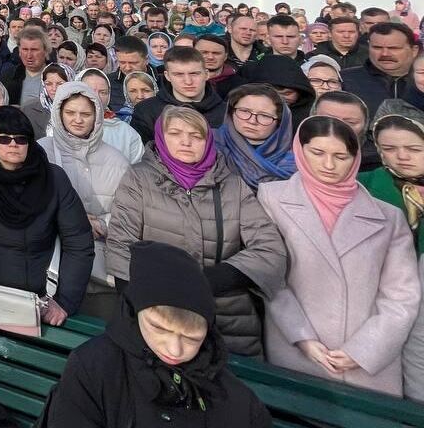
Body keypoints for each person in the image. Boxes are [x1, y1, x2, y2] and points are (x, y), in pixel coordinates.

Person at [257, 116, 420, 396]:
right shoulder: (271, 198)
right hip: (296, 350)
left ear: (355, 158)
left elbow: (401, 294)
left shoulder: (388, 215)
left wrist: (365, 349)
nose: (329, 165)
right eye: (317, 153)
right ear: (300, 149)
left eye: (340, 156)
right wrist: (302, 337)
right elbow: (270, 276)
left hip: (370, 364)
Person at [107, 106, 287, 357]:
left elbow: (269, 248)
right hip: (161, 316)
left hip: (228, 317)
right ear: (161, 136)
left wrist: (207, 281)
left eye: (196, 135)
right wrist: (140, 305)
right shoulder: (140, 180)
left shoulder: (231, 184)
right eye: (176, 133)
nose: (186, 141)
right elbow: (121, 247)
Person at [40, 241, 273, 427]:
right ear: (136, 311)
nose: (175, 349)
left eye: (192, 337)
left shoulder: (236, 402)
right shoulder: (93, 369)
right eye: (159, 328)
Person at [0, 106, 95, 323]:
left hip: (40, 299)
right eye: (3, 139)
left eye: (21, 139)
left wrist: (65, 301)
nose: (13, 144)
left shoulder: (53, 178)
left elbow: (79, 242)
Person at [41, 81, 132, 317]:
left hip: (101, 273)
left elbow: (130, 213)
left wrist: (102, 224)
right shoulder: (41, 152)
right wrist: (76, 223)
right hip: (50, 266)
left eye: (86, 114)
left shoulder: (117, 161)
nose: (77, 119)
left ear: (97, 116)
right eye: (70, 112)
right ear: (59, 113)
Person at [362, 111, 424, 399]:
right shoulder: (363, 186)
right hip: (382, 302)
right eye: (389, 148)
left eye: (414, 149)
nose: (401, 157)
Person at [129, 47, 227, 145]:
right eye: (179, 74)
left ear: (206, 74)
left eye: (194, 74)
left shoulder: (226, 111)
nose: (188, 81)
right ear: (167, 76)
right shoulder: (146, 111)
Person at [214, 85, 297, 191]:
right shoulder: (210, 145)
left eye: (265, 116)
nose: (252, 121)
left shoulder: (297, 161)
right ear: (231, 112)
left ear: (280, 122)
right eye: (244, 111)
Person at [342, 22, 420, 116]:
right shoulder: (345, 80)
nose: (385, 54)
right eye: (377, 47)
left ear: (414, 50)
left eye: (394, 48)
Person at [79, 68, 144, 163]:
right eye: (90, 90)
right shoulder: (64, 127)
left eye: (103, 92)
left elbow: (137, 170)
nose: (97, 97)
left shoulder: (125, 132)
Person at [21, 63, 72, 139]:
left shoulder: (78, 108)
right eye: (48, 84)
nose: (54, 89)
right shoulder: (28, 109)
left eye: (60, 84)